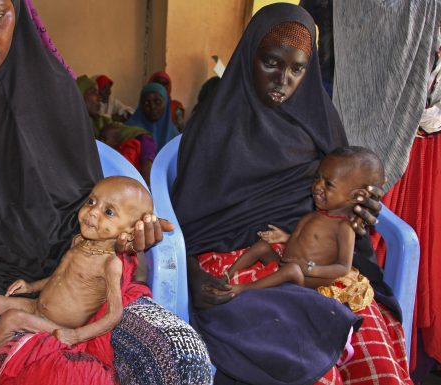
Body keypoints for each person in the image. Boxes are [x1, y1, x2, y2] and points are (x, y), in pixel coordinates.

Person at [0, 0, 208, 384]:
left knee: (181, 359)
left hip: (81, 282)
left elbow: (93, 206)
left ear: (19, 15)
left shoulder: (55, 91)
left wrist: (128, 235)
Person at [172, 4, 412, 385]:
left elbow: (343, 202)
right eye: (271, 62)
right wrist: (190, 274)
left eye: (297, 68)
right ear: (250, 54)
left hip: (317, 265)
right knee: (303, 362)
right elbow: (184, 221)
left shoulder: (323, 121)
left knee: (374, 360)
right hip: (238, 261)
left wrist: (358, 211)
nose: (282, 79)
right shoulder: (216, 124)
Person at [0, 176, 153, 374]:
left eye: (109, 212)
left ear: (131, 230)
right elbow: (59, 277)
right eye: (91, 201)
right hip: (37, 305)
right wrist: (30, 287)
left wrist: (77, 335)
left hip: (56, 325)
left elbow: (114, 314)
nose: (92, 212)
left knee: (12, 318)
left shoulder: (110, 264)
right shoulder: (79, 241)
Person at [330, 1, 441, 379]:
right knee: (374, 251)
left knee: (422, 262)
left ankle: (415, 362)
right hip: (380, 142)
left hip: (428, 154)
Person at [222, 147, 383, 307]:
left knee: (292, 270)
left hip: (303, 281)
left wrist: (311, 269)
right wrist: (285, 237)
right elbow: (308, 242)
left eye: (328, 184)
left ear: (357, 196)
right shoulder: (317, 214)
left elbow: (343, 267)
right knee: (262, 246)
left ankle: (242, 289)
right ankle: (226, 277)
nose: (317, 186)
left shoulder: (344, 227)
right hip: (285, 266)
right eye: (317, 178)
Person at [78, 75, 156, 184]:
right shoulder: (69, 128)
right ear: (79, 95)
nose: (100, 98)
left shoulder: (103, 122)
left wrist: (147, 164)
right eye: (93, 92)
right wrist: (106, 146)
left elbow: (142, 135)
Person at [125, 83, 179, 152]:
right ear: (141, 105)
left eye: (157, 102)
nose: (152, 107)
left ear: (166, 104)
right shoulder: (129, 131)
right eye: (146, 103)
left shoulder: (175, 138)